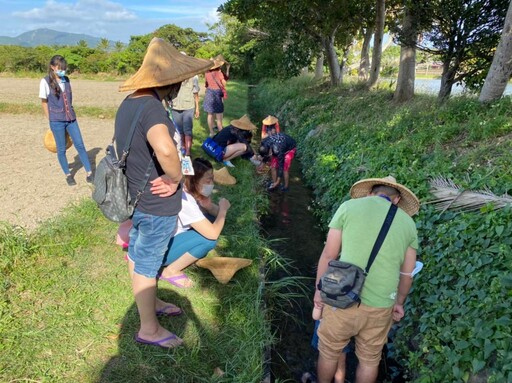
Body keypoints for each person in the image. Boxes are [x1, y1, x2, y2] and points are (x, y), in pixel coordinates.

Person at [115, 37, 211, 349]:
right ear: (166, 82)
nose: (178, 87)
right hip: (156, 203)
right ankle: (149, 330)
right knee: (147, 262)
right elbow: (165, 149)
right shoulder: (153, 109)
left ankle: (151, 304)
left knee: (138, 253)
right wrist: (173, 178)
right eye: (177, 82)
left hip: (137, 197)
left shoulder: (130, 103)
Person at [313, 176, 420, 383]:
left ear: (371, 193)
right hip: (381, 305)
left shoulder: (349, 207)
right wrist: (399, 302)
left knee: (328, 352)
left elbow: (329, 255)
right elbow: (407, 274)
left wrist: (319, 290)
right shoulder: (408, 224)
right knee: (370, 360)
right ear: (396, 200)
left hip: (342, 297)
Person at [158, 157, 231, 288]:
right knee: (208, 240)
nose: (212, 183)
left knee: (210, 220)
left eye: (212, 178)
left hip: (164, 242)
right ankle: (170, 271)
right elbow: (213, 234)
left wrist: (209, 206)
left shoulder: (188, 190)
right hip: (161, 252)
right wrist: (223, 210)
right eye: (208, 179)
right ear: (194, 180)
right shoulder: (185, 201)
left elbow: (214, 215)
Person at [39, 55, 93, 186]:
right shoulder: (45, 81)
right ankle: (68, 175)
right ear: (52, 67)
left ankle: (89, 172)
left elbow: (69, 99)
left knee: (80, 144)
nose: (62, 70)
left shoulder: (66, 80)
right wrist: (51, 119)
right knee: (61, 149)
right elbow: (44, 102)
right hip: (56, 120)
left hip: (71, 119)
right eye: (59, 68)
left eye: (64, 68)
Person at [170, 52, 200, 156]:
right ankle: (182, 147)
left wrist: (197, 108)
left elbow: (196, 93)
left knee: (187, 130)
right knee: (179, 130)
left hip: (188, 107)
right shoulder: (172, 75)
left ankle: (188, 152)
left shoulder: (193, 76)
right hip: (175, 106)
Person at [203, 58, 227, 137]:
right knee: (219, 117)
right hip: (217, 95)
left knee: (210, 114)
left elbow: (206, 83)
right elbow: (224, 84)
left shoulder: (206, 73)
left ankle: (211, 132)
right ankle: (221, 134)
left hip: (209, 93)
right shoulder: (219, 73)